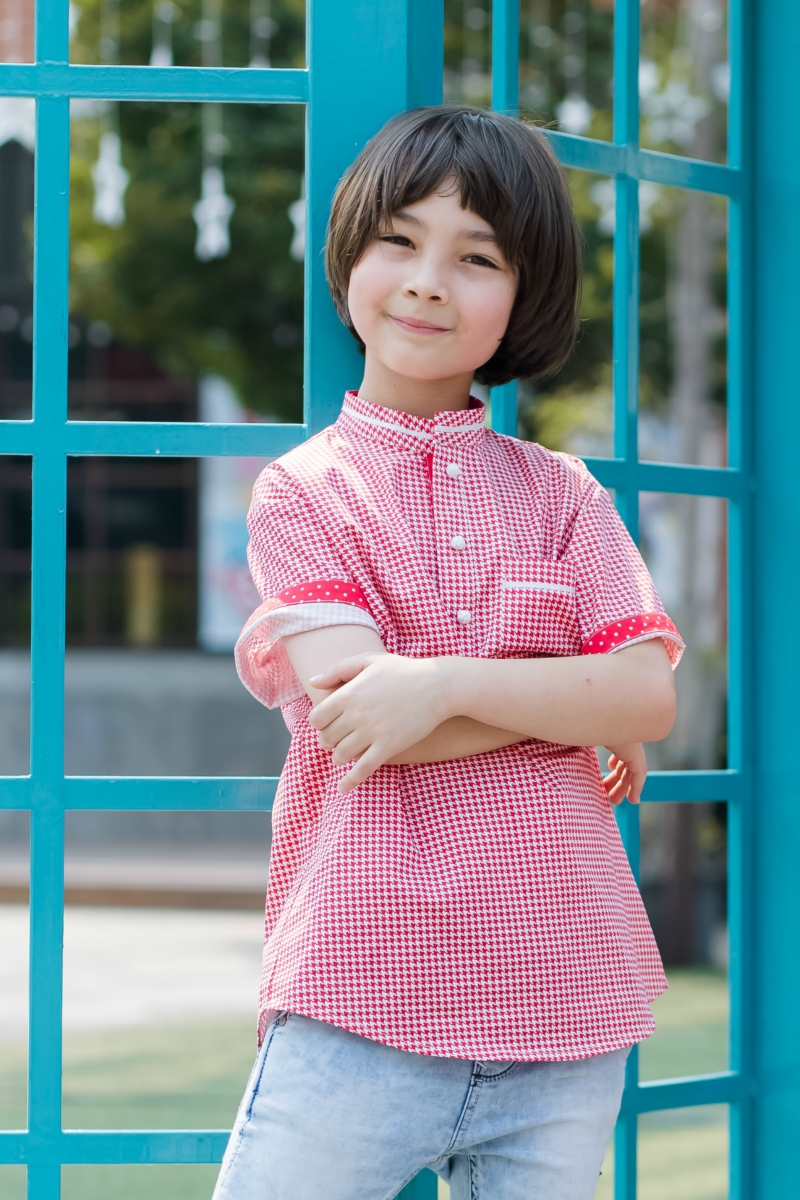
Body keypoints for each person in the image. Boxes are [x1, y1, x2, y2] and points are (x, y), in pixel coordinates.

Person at [216, 106, 683, 1200]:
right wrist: (571, 702)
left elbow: (646, 697)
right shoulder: (302, 491)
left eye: (475, 258)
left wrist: (437, 684)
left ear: (523, 299)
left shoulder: (564, 494)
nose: (427, 281)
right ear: (348, 256)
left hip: (566, 1013)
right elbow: (361, 723)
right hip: (359, 998)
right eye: (399, 241)